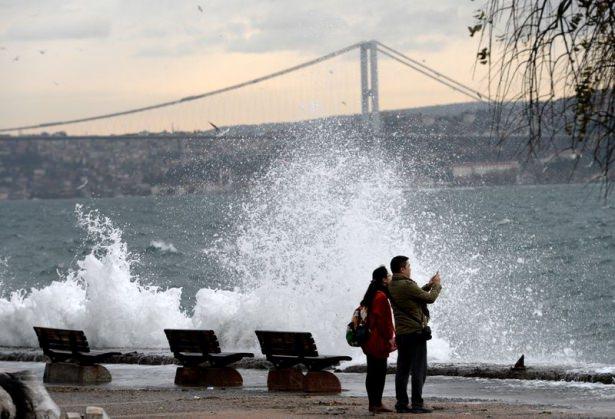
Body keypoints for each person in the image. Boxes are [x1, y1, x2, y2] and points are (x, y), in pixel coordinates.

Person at [388, 255, 442, 414]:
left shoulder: (392, 285)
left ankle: (402, 404)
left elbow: (415, 295)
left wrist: (429, 284)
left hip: (402, 334)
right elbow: (430, 298)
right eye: (408, 266)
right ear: (402, 268)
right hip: (415, 334)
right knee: (419, 370)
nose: (410, 269)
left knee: (402, 370)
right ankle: (417, 404)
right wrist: (437, 286)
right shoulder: (406, 284)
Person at [359, 266, 396, 414]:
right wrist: (389, 338)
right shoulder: (381, 297)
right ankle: (377, 403)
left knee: (372, 371)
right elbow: (383, 322)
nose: (390, 277)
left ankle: (372, 403)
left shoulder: (372, 294)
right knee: (379, 372)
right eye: (388, 275)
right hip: (377, 341)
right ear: (384, 279)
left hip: (368, 339)